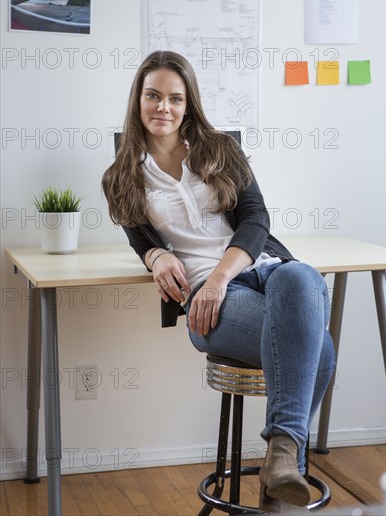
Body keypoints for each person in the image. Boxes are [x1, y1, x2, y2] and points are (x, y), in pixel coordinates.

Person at [102, 50, 335, 512]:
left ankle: (281, 458)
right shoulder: (121, 177)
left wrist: (221, 278)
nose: (162, 108)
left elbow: (256, 218)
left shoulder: (221, 149)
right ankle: (285, 463)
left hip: (255, 271)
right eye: (153, 96)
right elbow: (137, 237)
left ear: (188, 104)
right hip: (207, 303)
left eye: (174, 98)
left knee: (303, 276)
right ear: (138, 100)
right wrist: (155, 255)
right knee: (321, 350)